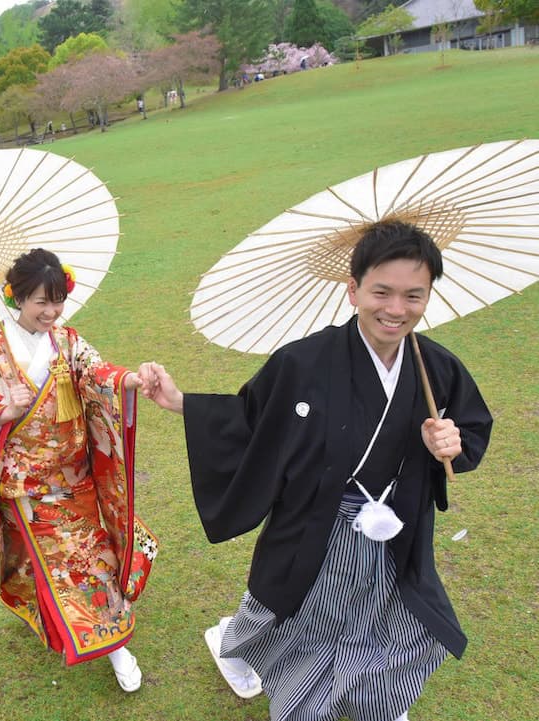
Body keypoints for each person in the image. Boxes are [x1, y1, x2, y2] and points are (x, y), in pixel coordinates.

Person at [140, 220, 492, 721]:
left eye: (413, 296)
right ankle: (244, 653)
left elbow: (473, 430)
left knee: (399, 620)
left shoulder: (437, 368)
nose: (396, 310)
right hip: (317, 522)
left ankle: (377, 697)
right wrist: (181, 404)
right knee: (298, 617)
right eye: (381, 292)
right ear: (353, 290)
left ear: (429, 294)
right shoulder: (303, 362)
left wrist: (452, 445)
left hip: (398, 527)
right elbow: (250, 420)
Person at [0, 248, 157, 692]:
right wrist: (3, 411)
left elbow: (96, 372)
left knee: (92, 556)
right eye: (41, 301)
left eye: (58, 300)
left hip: (73, 472)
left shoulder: (67, 341)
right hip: (25, 484)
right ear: (17, 298)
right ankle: (96, 638)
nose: (51, 311)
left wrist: (128, 381)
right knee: (49, 564)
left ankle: (111, 639)